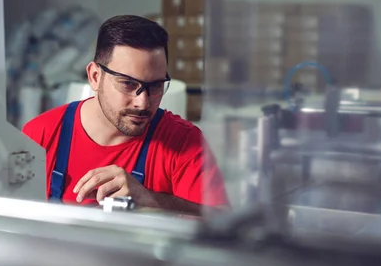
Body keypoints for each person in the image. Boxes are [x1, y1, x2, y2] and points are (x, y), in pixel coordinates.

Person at [22, 15, 229, 216]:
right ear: (95, 77)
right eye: (128, 84)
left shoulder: (184, 142)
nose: (143, 102)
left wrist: (150, 199)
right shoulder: (39, 136)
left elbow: (223, 227)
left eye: (155, 86)